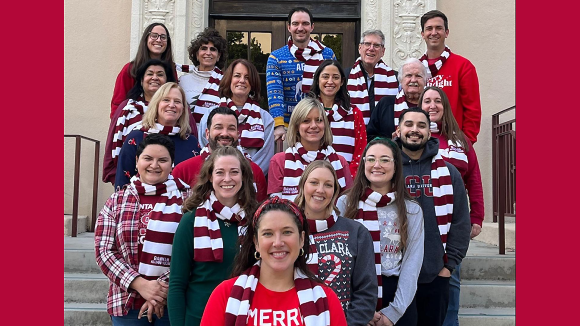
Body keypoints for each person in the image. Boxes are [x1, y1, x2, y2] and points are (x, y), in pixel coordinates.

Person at [200, 196, 347, 326]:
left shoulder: (326, 299)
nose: (278, 242)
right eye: (268, 233)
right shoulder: (225, 295)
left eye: (287, 232)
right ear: (256, 242)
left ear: (301, 239)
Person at [95, 133, 191, 325]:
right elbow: (104, 251)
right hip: (126, 304)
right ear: (137, 161)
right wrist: (140, 285)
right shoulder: (118, 200)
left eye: (162, 160)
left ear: (172, 163)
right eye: (148, 158)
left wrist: (159, 289)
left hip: (173, 302)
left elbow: (195, 249)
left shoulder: (189, 199)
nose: (154, 165)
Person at [395, 107, 470, 326]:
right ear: (398, 130)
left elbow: (460, 222)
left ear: (429, 132)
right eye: (408, 124)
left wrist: (449, 267)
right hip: (395, 274)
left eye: (421, 125)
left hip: (435, 274)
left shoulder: (448, 172)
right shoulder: (387, 169)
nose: (414, 130)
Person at [337, 138, 424, 326]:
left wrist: (393, 312)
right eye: (371, 159)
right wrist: (360, 309)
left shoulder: (411, 209)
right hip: (355, 297)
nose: (377, 165)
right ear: (363, 164)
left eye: (385, 159)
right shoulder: (345, 204)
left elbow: (412, 263)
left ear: (396, 165)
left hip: (397, 297)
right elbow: (340, 261)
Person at [167, 146, 259, 326]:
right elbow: (177, 284)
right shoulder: (191, 220)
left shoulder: (256, 219)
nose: (227, 179)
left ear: (243, 176)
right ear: (210, 176)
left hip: (246, 318)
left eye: (234, 172)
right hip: (200, 319)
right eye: (220, 172)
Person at [419, 86, 484, 326]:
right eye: (427, 101)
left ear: (445, 107)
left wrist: (476, 216)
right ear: (420, 106)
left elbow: (474, 179)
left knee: (451, 282)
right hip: (418, 224)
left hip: (451, 225)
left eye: (438, 101)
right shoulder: (411, 136)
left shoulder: (460, 140)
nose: (432, 105)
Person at [294, 160, 377, 325]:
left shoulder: (356, 232)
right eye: (314, 182)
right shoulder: (286, 231)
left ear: (335, 191)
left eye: (328, 185)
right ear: (302, 185)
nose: (320, 190)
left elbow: (366, 292)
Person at [266, 7, 336, 142]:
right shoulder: (276, 57)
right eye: (295, 24)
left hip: (320, 125)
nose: (300, 28)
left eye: (305, 23)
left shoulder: (327, 54)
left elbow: (334, 89)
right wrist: (278, 125)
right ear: (288, 27)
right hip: (289, 127)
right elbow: (275, 92)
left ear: (312, 27)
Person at [114, 83, 200, 189]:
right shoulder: (137, 137)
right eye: (166, 100)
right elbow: (122, 180)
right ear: (156, 104)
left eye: (177, 101)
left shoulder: (191, 142)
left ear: (183, 109)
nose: (172, 105)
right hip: (139, 203)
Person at [103, 59, 176, 184]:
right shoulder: (127, 108)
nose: (155, 78)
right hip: (131, 181)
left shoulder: (175, 108)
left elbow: (188, 133)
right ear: (142, 80)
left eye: (160, 74)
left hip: (172, 182)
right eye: (149, 74)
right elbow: (113, 140)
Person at [172, 107, 267, 201]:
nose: (225, 134)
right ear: (207, 133)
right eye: (218, 127)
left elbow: (260, 213)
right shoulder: (183, 171)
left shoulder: (254, 171)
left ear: (238, 134)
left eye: (231, 128)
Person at [267, 97, 353, 201]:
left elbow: (347, 206)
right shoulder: (279, 161)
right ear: (296, 126)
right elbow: (275, 208)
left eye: (319, 120)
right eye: (306, 121)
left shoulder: (340, 162)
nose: (313, 126)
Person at [199, 59, 275, 175]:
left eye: (247, 77)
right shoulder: (210, 114)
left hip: (251, 179)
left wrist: (242, 175)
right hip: (215, 177)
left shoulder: (265, 118)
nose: (242, 81)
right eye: (237, 76)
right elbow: (205, 144)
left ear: (253, 83)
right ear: (229, 79)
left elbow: (265, 156)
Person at [419, 10, 481, 143]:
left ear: (446, 33)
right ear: (422, 34)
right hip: (421, 143)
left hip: (453, 143)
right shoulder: (416, 69)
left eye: (439, 28)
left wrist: (466, 142)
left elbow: (472, 110)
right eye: (429, 28)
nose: (434, 32)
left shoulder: (463, 66)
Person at [309, 60, 367, 177]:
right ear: (317, 80)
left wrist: (348, 179)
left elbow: (361, 152)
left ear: (342, 82)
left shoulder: (354, 113)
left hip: (347, 182)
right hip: (311, 180)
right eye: (325, 77)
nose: (330, 81)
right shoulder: (306, 111)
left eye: (335, 77)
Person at [110, 23, 176, 118]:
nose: (158, 40)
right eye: (154, 36)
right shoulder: (130, 69)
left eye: (163, 37)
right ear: (146, 38)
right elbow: (117, 105)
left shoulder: (171, 69)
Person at [367, 58, 428, 142]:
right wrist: (390, 142)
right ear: (400, 80)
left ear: (425, 81)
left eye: (418, 76)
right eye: (408, 75)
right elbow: (370, 136)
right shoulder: (385, 104)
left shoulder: (432, 106)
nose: (413, 80)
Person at [347, 29, 399, 126]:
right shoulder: (345, 76)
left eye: (376, 45)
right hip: (354, 135)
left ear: (383, 51)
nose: (371, 48)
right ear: (360, 48)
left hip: (384, 137)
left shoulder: (395, 78)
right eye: (367, 44)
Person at [180, 27, 228, 125]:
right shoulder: (182, 81)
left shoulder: (225, 82)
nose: (208, 53)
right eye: (204, 48)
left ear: (218, 56)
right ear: (197, 54)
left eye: (213, 49)